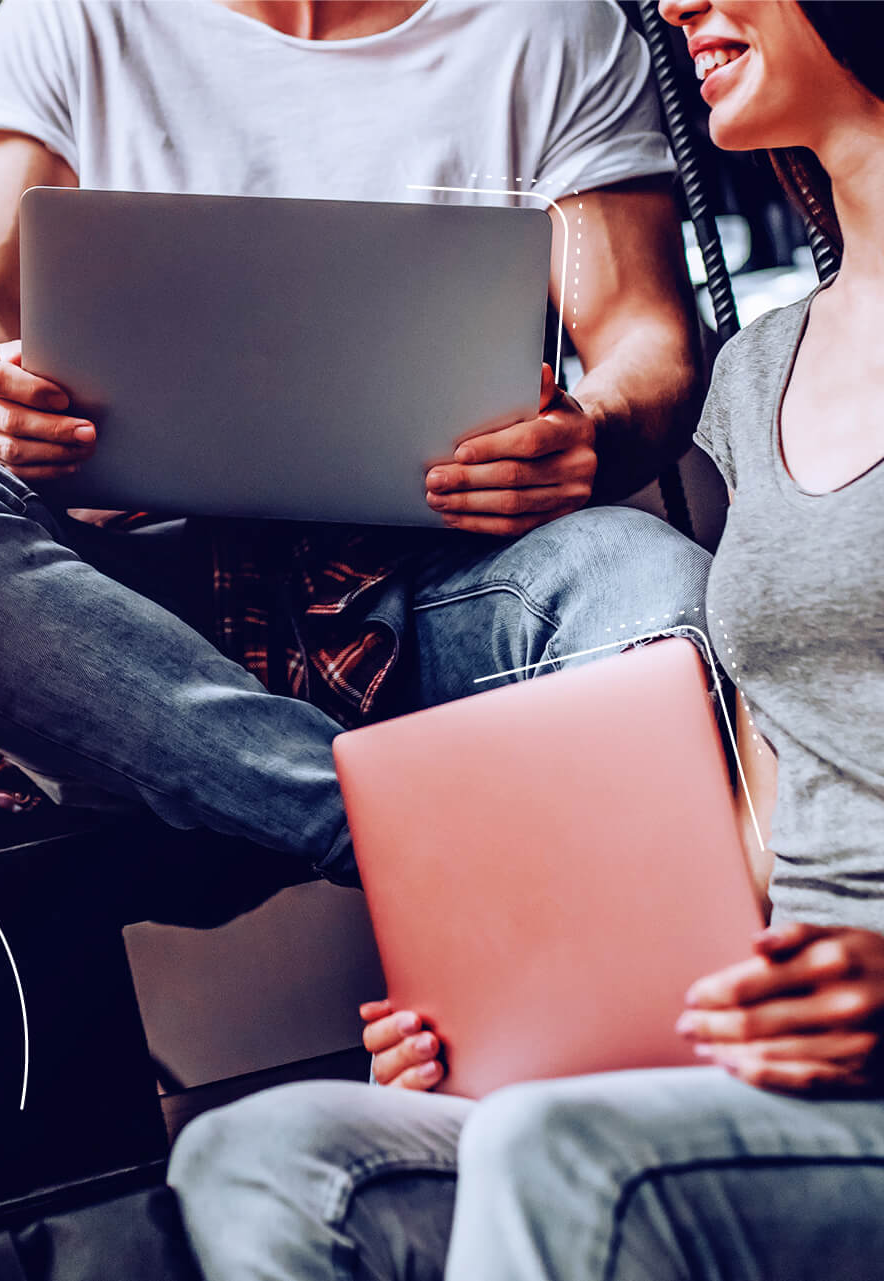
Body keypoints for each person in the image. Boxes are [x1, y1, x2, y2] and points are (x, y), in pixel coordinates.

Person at [167, 2, 884, 1277]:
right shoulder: (761, 368)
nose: (675, 5)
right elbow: (770, 797)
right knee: (260, 1154)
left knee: (558, 1153)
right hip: (753, 1034)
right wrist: (524, 1010)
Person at [0, 0, 712, 877]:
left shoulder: (548, 28)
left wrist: (595, 427)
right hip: (138, 617)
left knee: (647, 578)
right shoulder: (68, 20)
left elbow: (648, 340)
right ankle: (399, 831)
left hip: (440, 583)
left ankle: (361, 820)